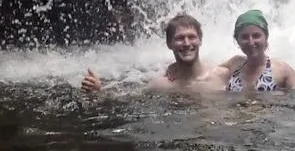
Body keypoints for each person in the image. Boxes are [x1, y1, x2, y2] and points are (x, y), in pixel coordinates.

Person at [80, 12, 224, 92]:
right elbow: (127, 98)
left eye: (192, 37)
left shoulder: (221, 75)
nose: (187, 43)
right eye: (180, 38)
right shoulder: (163, 85)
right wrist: (99, 89)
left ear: (200, 40)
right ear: (169, 44)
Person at [222, 9, 295, 93]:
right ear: (237, 40)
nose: (251, 42)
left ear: (266, 37)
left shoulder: (281, 70)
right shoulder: (234, 64)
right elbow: (207, 75)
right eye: (245, 37)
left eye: (256, 36)